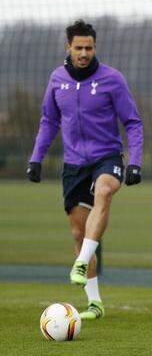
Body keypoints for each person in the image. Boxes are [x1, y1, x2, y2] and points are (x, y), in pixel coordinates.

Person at [27, 20, 144, 320]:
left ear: (95, 47)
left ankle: (80, 263)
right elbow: (48, 122)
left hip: (107, 158)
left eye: (88, 48)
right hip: (73, 165)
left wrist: (135, 161)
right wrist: (36, 158)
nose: (83, 53)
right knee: (79, 232)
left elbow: (132, 122)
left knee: (104, 192)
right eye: (78, 47)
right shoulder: (56, 80)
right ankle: (95, 303)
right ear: (68, 47)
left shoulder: (112, 79)